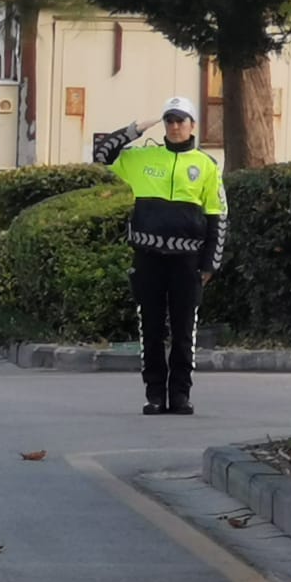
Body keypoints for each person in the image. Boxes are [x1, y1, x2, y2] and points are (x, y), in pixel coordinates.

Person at [92, 95, 226, 416]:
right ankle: (154, 394)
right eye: (170, 120)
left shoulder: (206, 166)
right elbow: (102, 154)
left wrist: (210, 264)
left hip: (187, 262)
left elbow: (217, 217)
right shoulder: (142, 158)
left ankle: (180, 395)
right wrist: (136, 128)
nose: (175, 126)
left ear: (193, 125)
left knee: (183, 331)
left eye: (181, 120)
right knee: (150, 329)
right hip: (148, 258)